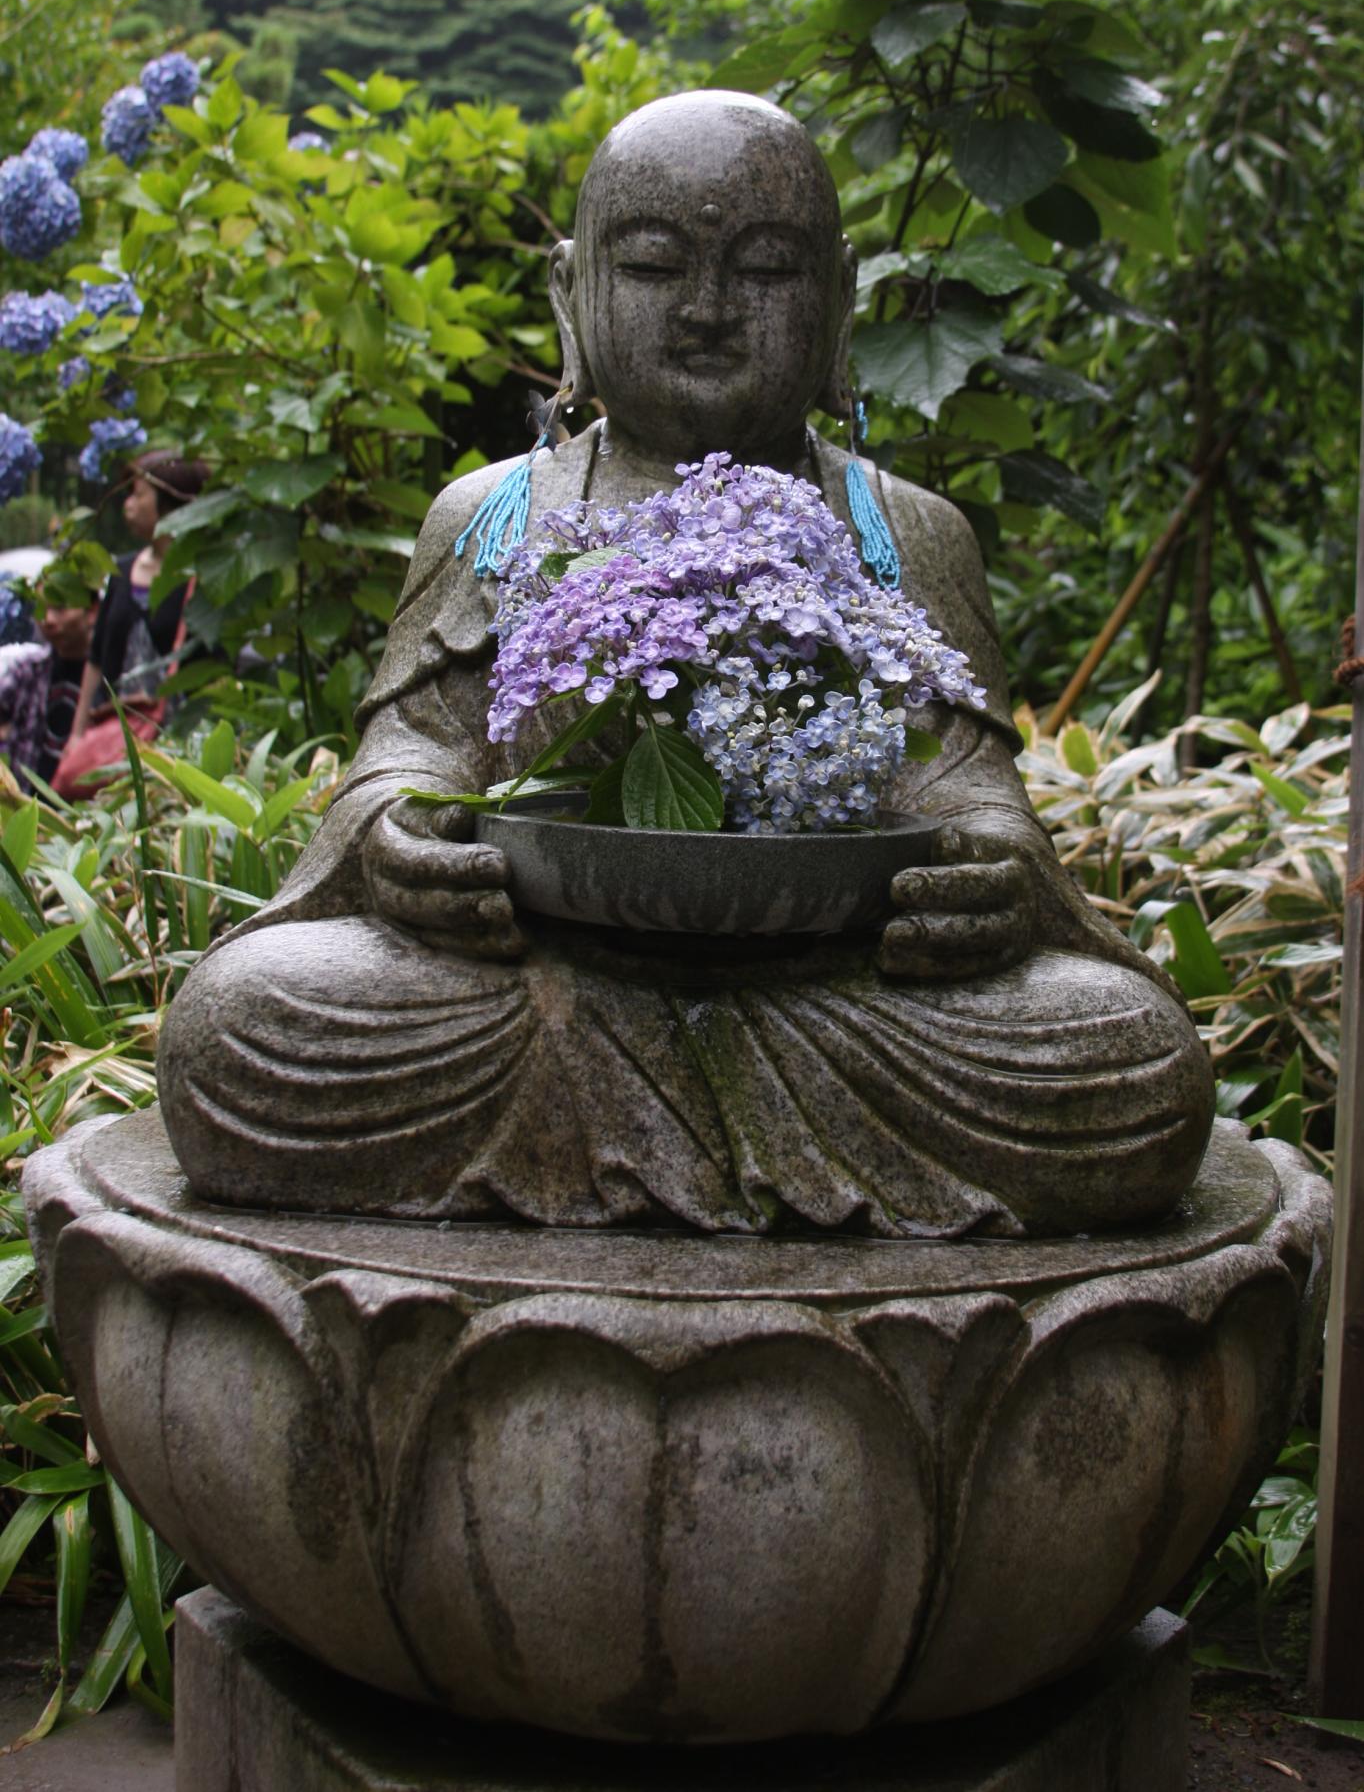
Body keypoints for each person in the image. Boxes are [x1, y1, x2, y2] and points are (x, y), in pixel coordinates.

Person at [158, 91, 1213, 1239]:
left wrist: (987, 873)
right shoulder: (499, 514)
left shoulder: (902, 530)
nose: (709, 311)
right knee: (238, 1027)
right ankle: (709, 1143)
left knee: (1134, 1061)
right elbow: (409, 756)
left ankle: (638, 1142)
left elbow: (967, 788)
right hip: (541, 988)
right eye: (657, 266)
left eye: (764, 271)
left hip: (838, 993)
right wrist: (397, 837)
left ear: (838, 302)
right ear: (573, 294)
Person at [68, 449, 209, 742]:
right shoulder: (121, 572)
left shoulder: (205, 579)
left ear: (170, 501)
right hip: (114, 741)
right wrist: (77, 734)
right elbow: (96, 660)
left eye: (138, 494)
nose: (127, 505)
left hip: (181, 744)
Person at [0, 561, 99, 791]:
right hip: (29, 808)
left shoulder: (112, 677)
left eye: (60, 608)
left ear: (92, 611)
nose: (48, 620)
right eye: (42, 609)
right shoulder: (27, 672)